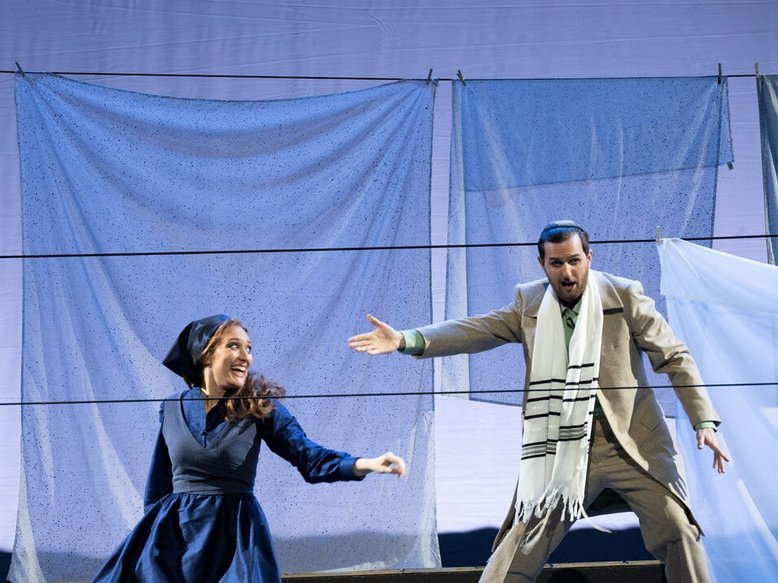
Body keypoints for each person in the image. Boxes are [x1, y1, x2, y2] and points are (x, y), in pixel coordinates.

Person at [349, 220, 729, 583]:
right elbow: (475, 330)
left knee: (678, 529)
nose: (567, 272)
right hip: (563, 449)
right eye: (557, 263)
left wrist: (704, 421)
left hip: (631, 444)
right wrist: (406, 339)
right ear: (542, 264)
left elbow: (674, 356)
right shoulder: (528, 303)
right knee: (519, 548)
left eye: (575, 261)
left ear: (589, 258)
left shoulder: (623, 295)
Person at [94, 314, 405, 583]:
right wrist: (151, 542)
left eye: (249, 348)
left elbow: (309, 456)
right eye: (234, 346)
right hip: (175, 539)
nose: (246, 356)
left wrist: (365, 464)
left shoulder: (258, 406)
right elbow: (157, 487)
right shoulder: (173, 407)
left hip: (234, 538)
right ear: (206, 354)